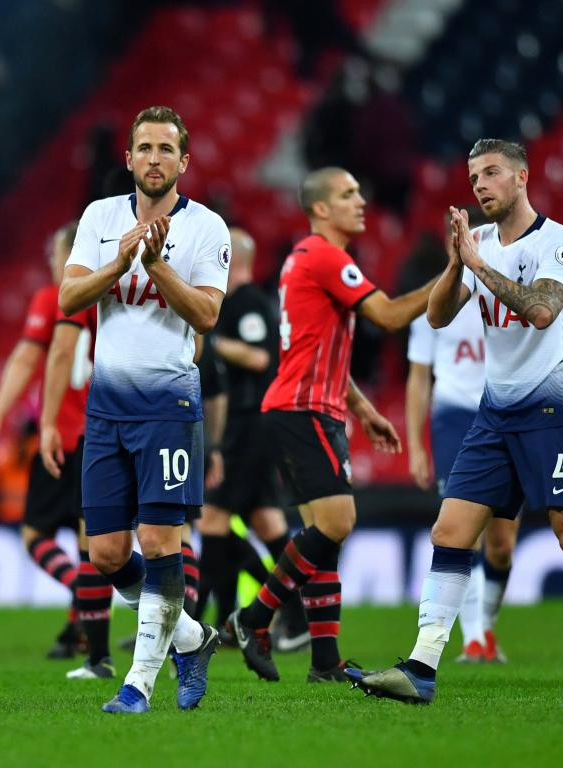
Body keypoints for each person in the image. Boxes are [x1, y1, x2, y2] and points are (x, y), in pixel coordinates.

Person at [349, 140, 563, 707]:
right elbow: (435, 316)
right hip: (496, 411)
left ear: (522, 177)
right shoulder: (476, 242)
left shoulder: (558, 244)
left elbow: (543, 311)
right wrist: (458, 263)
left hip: (553, 408)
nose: (480, 185)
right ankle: (422, 667)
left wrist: (479, 265)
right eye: (474, 176)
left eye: (492, 173)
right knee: (450, 532)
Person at [229, 167, 437, 683]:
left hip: (309, 406)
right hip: (303, 410)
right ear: (321, 209)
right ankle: (255, 619)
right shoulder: (323, 255)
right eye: (348, 194)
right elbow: (388, 316)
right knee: (336, 523)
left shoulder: (305, 259)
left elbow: (317, 350)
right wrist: (456, 270)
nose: (361, 201)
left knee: (324, 536)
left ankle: (324, 662)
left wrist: (364, 410)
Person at [58, 106, 225, 713]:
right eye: (145, 148)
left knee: (159, 541)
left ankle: (138, 684)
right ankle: (193, 639)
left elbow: (206, 315)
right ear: (127, 159)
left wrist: (156, 268)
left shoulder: (208, 229)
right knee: (104, 552)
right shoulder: (100, 218)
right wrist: (119, 263)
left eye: (166, 149)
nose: (155, 158)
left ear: (185, 160)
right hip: (107, 405)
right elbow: (69, 295)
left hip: (169, 404)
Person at [0, 222, 107, 666]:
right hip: (108, 435)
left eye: (54, 255)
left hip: (64, 436)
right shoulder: (112, 299)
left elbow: (29, 357)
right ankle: (83, 626)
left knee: (35, 536)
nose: (50, 263)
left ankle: (81, 598)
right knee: (93, 543)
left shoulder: (53, 299)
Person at [198, 227, 307, 646]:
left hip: (250, 423)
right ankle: (295, 615)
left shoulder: (247, 302)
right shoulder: (229, 303)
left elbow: (261, 356)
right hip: (256, 424)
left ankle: (195, 623)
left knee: (214, 520)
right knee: (267, 522)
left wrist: (213, 343)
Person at [405, 264, 517, 664]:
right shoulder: (435, 301)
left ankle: (484, 626)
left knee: (502, 544)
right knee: (462, 532)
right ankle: (474, 639)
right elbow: (419, 377)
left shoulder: (510, 291)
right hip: (453, 418)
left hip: (506, 413)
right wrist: (417, 446)